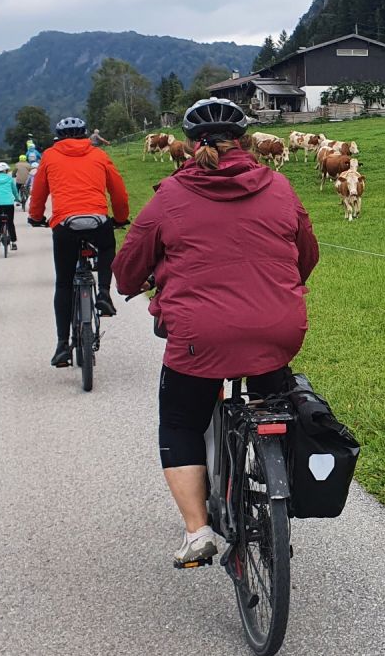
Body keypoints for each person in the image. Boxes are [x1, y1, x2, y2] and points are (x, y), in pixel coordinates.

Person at [113, 97, 319, 565]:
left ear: (188, 146)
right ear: (246, 142)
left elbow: (127, 270)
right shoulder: (280, 186)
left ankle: (197, 531)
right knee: (276, 404)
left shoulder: (170, 195)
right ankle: (276, 497)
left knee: (182, 420)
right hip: (277, 330)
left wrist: (137, 282)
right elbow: (307, 255)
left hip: (199, 337)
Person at [27, 115, 130, 367]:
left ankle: (63, 346)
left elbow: (38, 192)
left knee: (63, 284)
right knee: (106, 246)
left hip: (65, 225)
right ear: (85, 135)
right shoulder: (98, 155)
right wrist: (120, 218)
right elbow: (117, 190)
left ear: (59, 137)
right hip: (97, 221)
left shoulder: (49, 156)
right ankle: (104, 292)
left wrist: (36, 217)